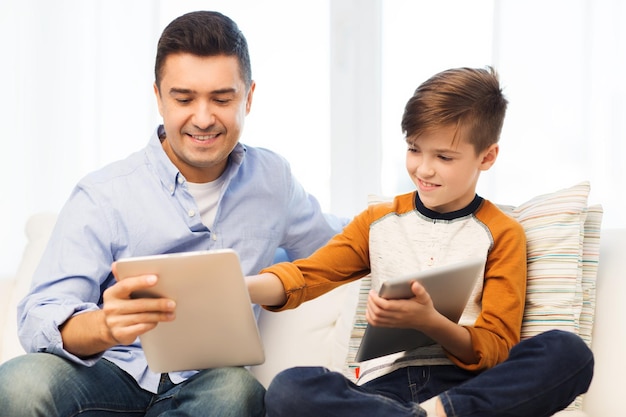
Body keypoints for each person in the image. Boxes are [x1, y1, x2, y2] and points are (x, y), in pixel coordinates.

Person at [0, 10, 343, 417]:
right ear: (159, 97)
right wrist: (106, 325)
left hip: (209, 381)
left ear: (248, 97)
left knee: (238, 392)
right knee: (18, 385)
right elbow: (40, 315)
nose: (203, 118)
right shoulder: (104, 194)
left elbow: (335, 247)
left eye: (222, 98)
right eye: (183, 99)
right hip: (111, 368)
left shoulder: (274, 181)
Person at [247, 67, 594, 417]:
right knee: (290, 389)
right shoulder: (378, 222)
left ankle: (441, 412)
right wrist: (238, 288)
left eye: (443, 157)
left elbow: (495, 349)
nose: (423, 169)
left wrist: (430, 321)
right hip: (383, 392)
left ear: (486, 157)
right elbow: (305, 276)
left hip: (468, 388)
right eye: (415, 149)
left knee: (569, 352)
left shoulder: (502, 234)